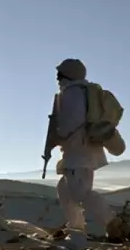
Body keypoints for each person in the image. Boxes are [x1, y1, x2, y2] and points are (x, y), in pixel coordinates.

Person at [49, 58, 116, 236]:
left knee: (80, 194)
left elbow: (71, 123)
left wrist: (58, 133)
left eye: (60, 74)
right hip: (82, 151)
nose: (57, 77)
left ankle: (112, 223)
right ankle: (76, 228)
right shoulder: (83, 92)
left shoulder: (72, 94)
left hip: (78, 152)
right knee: (64, 190)